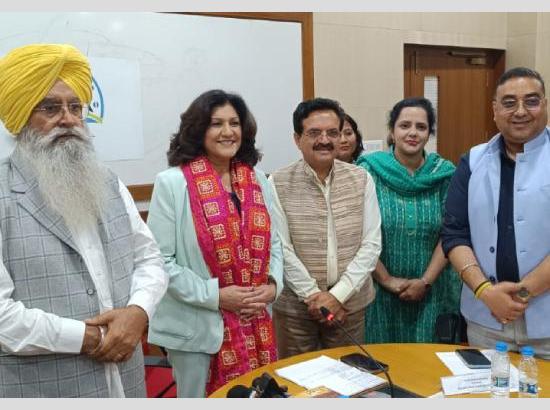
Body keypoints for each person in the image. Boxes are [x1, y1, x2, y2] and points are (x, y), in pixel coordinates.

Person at [0, 43, 168, 397]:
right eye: (50, 108)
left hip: (127, 382)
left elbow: (149, 259)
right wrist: (91, 337)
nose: (68, 119)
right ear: (20, 116)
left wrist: (138, 311)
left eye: (75, 107)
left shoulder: (108, 181)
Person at [146, 89, 283, 397]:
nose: (227, 132)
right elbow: (160, 262)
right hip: (197, 329)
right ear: (198, 130)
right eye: (216, 123)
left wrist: (273, 286)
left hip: (255, 320)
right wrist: (216, 296)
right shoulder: (172, 183)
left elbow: (275, 243)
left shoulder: (258, 180)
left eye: (234, 123)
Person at [441, 67, 550, 358]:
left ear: (545, 105)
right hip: (486, 321)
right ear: (495, 110)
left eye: (531, 101)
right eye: (509, 102)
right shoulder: (472, 161)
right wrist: (486, 292)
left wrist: (522, 294)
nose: (520, 111)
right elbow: (454, 234)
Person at [269, 97, 381, 358]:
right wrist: (315, 298)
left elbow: (371, 244)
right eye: (314, 133)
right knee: (295, 377)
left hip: (349, 306)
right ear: (297, 139)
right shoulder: (277, 182)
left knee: (349, 375)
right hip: (295, 311)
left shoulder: (361, 179)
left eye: (332, 132)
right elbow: (281, 248)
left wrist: (337, 296)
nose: (324, 140)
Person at [356, 97, 460, 343]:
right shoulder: (368, 171)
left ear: (429, 133)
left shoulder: (444, 174)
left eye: (421, 127)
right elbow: (357, 233)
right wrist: (387, 280)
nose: (413, 133)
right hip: (378, 290)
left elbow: (451, 233)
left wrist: (425, 282)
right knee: (382, 358)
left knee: (428, 359)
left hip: (432, 290)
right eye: (405, 125)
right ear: (392, 132)